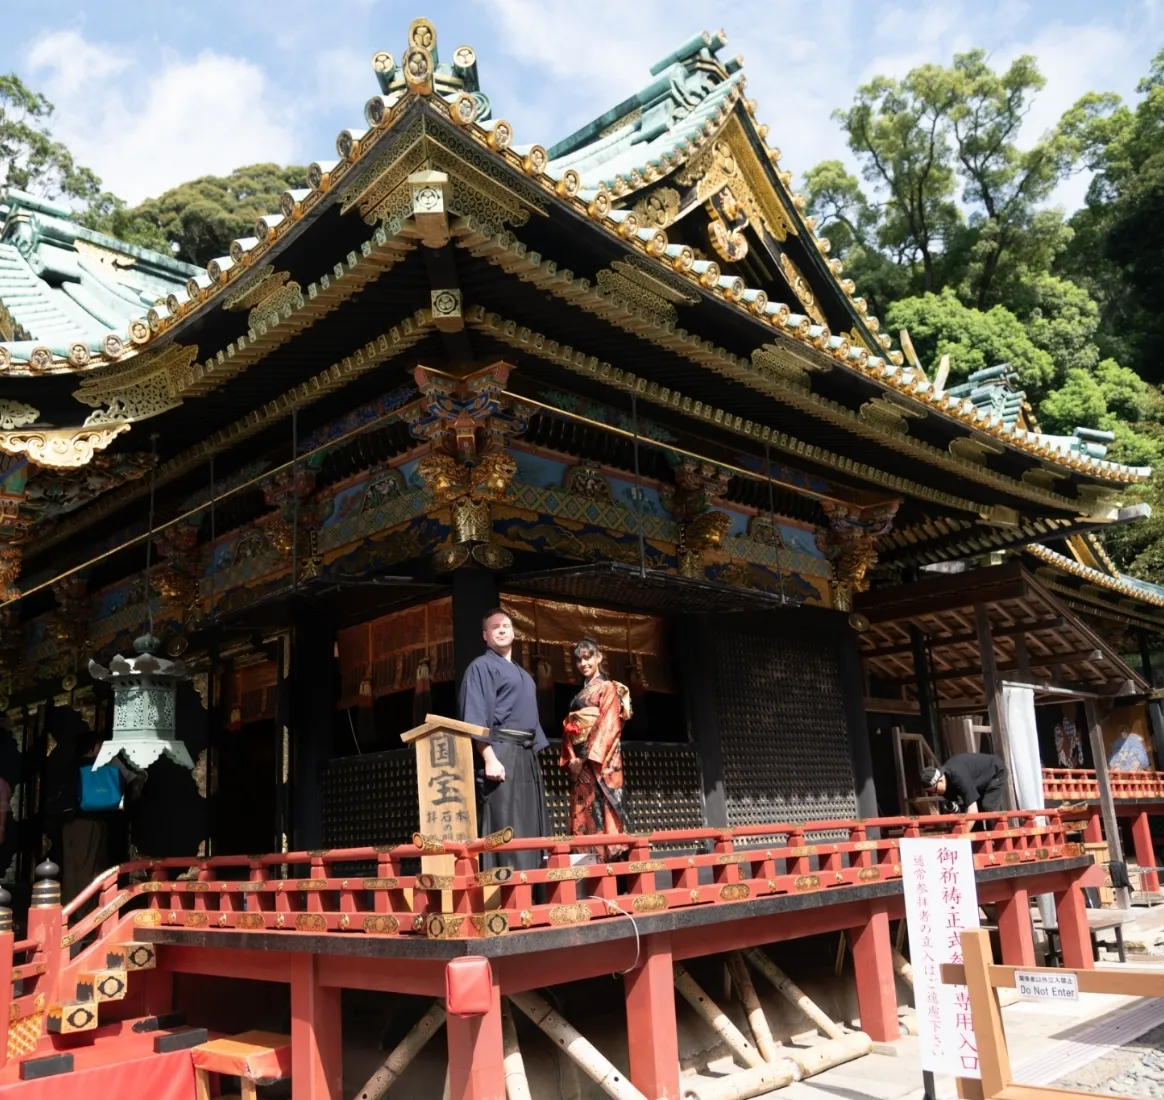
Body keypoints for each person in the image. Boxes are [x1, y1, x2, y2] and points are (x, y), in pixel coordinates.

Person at [458, 608, 550, 873]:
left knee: (530, 823)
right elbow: (475, 716)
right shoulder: (481, 667)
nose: (501, 630)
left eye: (506, 626)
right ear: (485, 635)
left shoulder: (523, 673)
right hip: (502, 753)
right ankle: (507, 888)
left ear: (513, 632)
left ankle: (533, 886)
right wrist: (489, 757)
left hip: (526, 753)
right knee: (506, 822)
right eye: (495, 626)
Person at [561, 638, 632, 861]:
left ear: (598, 657)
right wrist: (571, 758)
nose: (583, 663)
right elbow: (569, 727)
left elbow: (607, 725)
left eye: (588, 657)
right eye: (579, 659)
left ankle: (611, 867)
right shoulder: (580, 694)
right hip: (580, 762)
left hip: (599, 762)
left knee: (603, 811)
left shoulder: (607, 687)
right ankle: (587, 863)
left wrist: (582, 757)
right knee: (583, 811)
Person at [921, 752, 1008, 816]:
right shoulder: (946, 787)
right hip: (976, 782)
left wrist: (962, 838)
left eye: (935, 790)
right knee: (972, 811)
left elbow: (973, 810)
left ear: (940, 780)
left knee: (987, 806)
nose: (936, 793)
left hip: (995, 771)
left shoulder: (958, 776)